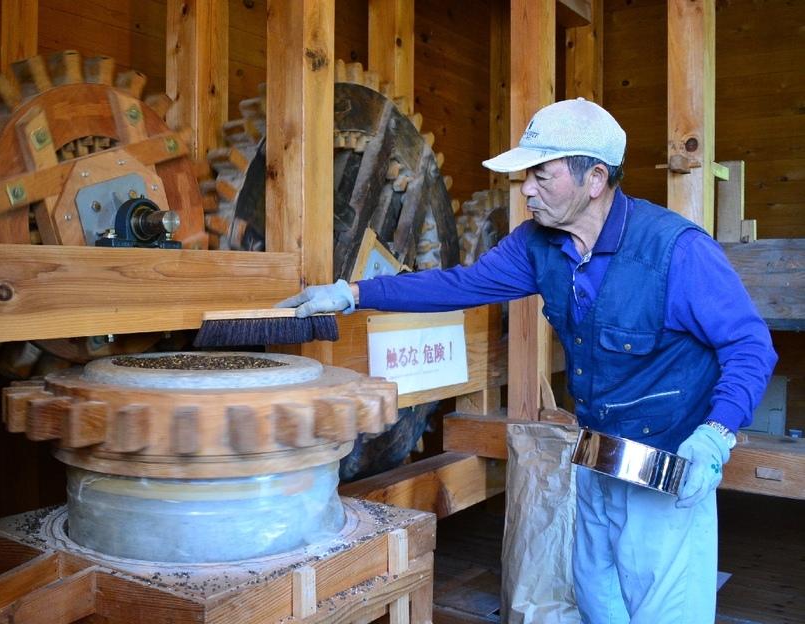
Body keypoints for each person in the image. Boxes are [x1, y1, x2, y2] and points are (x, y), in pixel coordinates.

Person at [276, 98, 778, 623]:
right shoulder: (538, 246)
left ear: (595, 179)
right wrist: (353, 292)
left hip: (669, 469)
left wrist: (716, 434)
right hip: (598, 460)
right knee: (597, 601)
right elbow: (460, 284)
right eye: (526, 176)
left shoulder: (676, 251)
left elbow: (749, 344)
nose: (527, 189)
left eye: (541, 174)